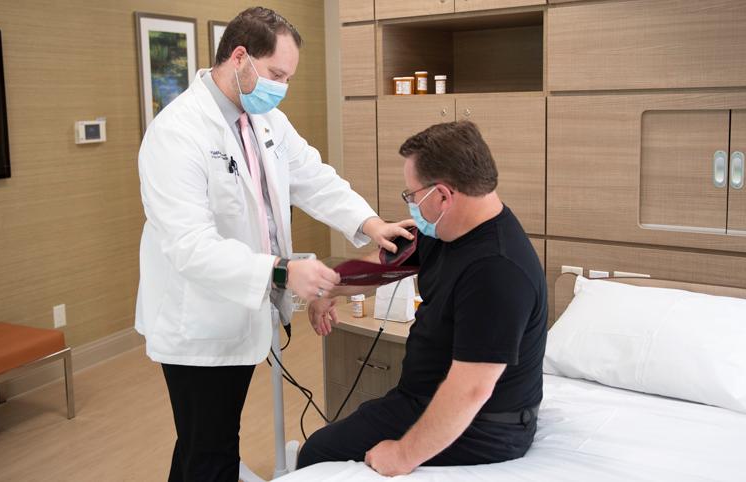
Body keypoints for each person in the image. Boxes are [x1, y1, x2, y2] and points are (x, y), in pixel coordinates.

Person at [135, 7, 413, 482]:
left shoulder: (266, 122)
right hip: (196, 322)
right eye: (276, 74)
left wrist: (370, 223)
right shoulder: (177, 132)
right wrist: (282, 271)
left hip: (239, 310)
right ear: (239, 56)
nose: (282, 86)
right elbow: (191, 246)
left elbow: (314, 178)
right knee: (212, 448)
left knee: (205, 441)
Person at [298, 120, 548, 476]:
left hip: (486, 427)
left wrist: (401, 456)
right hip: (421, 397)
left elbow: (472, 390)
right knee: (332, 440)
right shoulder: (450, 228)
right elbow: (384, 266)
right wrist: (328, 289)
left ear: (444, 195)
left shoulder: (497, 271)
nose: (411, 203)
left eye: (412, 195)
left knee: (317, 454)